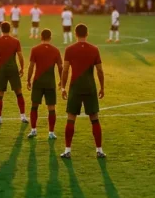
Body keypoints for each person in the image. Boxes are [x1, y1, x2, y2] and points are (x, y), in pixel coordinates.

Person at [60, 23, 106, 159]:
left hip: (75, 86)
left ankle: (67, 150)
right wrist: (102, 87)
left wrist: (63, 87)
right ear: (87, 34)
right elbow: (99, 70)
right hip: (90, 87)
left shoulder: (69, 49)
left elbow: (66, 70)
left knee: (71, 118)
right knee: (94, 119)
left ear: (75, 34)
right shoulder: (94, 49)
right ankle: (99, 150)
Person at [26, 28, 63, 139]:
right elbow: (61, 67)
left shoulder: (35, 49)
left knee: (34, 106)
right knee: (51, 108)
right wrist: (61, 80)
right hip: (50, 82)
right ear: (50, 38)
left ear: (41, 37)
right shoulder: (56, 50)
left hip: (38, 81)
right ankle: (51, 132)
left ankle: (33, 130)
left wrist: (28, 80)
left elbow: (31, 66)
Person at [0, 22, 28, 125]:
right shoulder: (16, 41)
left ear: (1, 29)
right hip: (13, 69)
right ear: (10, 29)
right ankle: (23, 116)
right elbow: (20, 56)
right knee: (19, 93)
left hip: (2, 69)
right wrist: (22, 68)